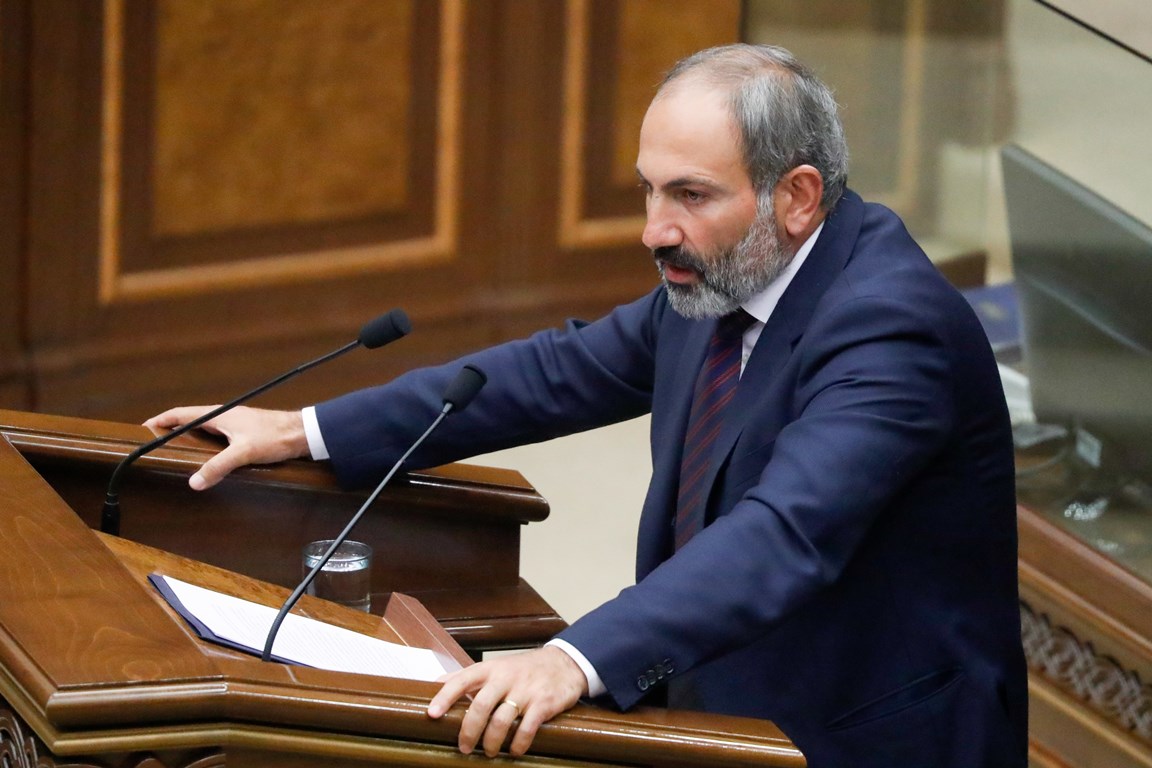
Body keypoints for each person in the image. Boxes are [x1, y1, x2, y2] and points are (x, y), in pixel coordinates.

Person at [146, 44, 1027, 767]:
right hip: (720, 696)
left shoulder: (890, 329)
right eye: (648, 189)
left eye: (690, 195)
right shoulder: (725, 275)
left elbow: (785, 532)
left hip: (858, 733)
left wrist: (574, 659)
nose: (653, 229)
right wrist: (303, 429)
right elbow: (555, 372)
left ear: (795, 197)